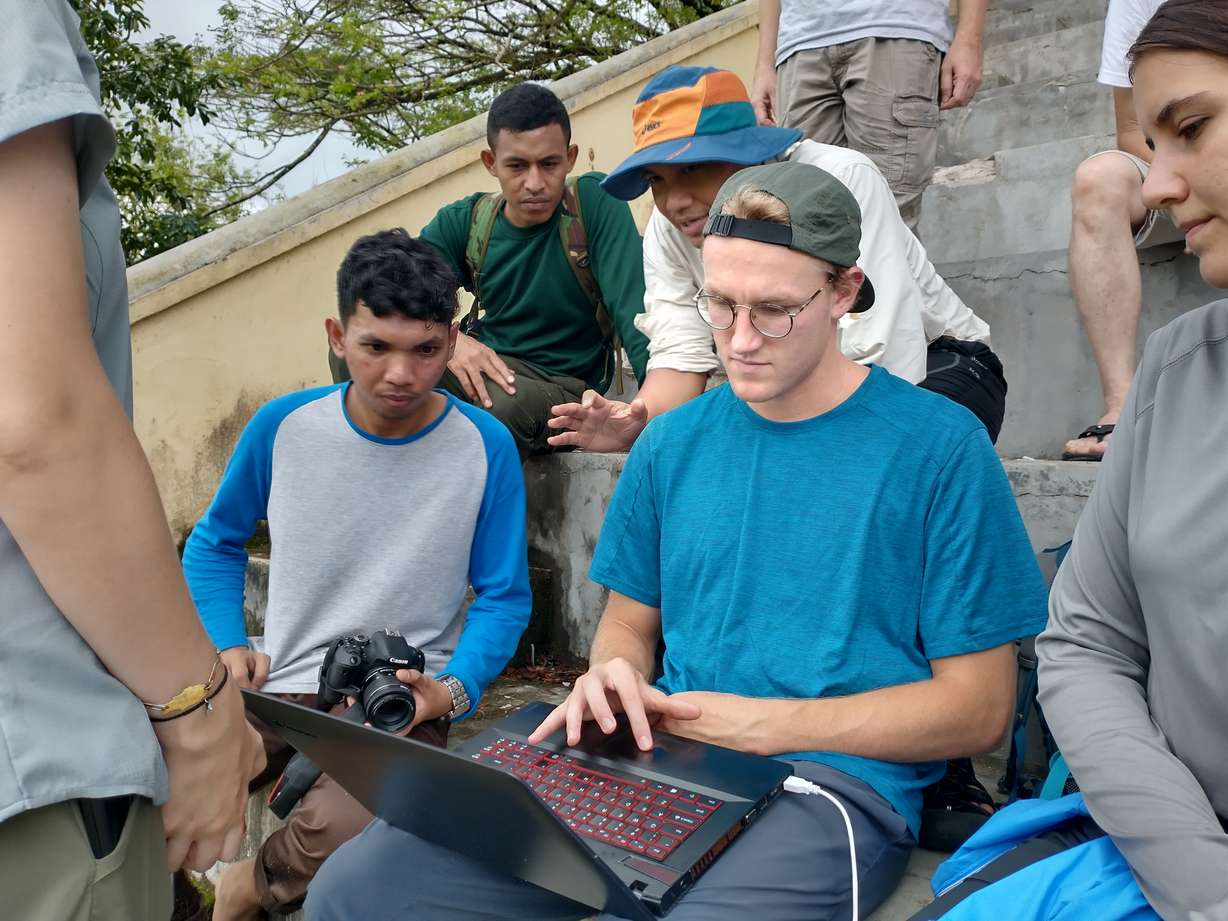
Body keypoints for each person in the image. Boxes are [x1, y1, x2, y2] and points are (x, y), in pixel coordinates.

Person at [304, 161, 1049, 921]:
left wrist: (759, 723)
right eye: (720, 303)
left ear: (844, 293)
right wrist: (613, 676)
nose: (740, 339)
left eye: (775, 309)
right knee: (359, 889)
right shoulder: (671, 444)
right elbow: (628, 625)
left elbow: (979, 708)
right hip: (655, 760)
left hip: (827, 789)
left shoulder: (939, 446)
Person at [908, 2, 1228, 917]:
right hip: (1155, 848)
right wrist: (1201, 880)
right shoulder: (1175, 369)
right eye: (1152, 140)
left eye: (1193, 129)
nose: (1158, 188)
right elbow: (1085, 641)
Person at [0, 2, 265, 920]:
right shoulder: (285, 430)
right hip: (35, 763)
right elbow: (37, 426)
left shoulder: (474, 451)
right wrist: (199, 710)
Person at [184, 229, 532, 919]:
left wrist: (452, 692)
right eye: (377, 346)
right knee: (133, 773)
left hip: (399, 706)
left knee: (350, 828)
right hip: (279, 688)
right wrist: (227, 642)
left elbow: (504, 596)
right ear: (338, 335)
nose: (401, 373)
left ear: (453, 339)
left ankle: (248, 885)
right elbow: (214, 542)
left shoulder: (485, 446)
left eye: (426, 349)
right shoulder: (283, 426)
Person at [548, 67, 1001, 479]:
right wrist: (638, 423)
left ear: (747, 153)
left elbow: (885, 353)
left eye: (692, 168)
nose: (675, 201)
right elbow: (679, 358)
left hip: (932, 365)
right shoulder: (670, 231)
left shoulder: (839, 179)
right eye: (657, 180)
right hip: (788, 383)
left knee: (878, 471)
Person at [330, 83, 650, 461]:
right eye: (517, 166)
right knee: (353, 351)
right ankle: (394, 463)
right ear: (490, 162)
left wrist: (651, 413)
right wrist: (452, 342)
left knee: (497, 416)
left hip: (558, 385)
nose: (534, 182)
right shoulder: (468, 220)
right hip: (480, 367)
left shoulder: (594, 204)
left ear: (570, 158)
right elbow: (393, 286)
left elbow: (636, 315)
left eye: (549, 164)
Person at [749, 0, 988, 232]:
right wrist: (765, 63)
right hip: (798, 43)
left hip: (896, 26)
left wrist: (969, 39)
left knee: (887, 220)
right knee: (808, 223)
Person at [1061, 0, 1181, 461]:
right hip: (1176, 158)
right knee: (1099, 179)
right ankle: (1121, 404)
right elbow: (1132, 129)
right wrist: (1198, 184)